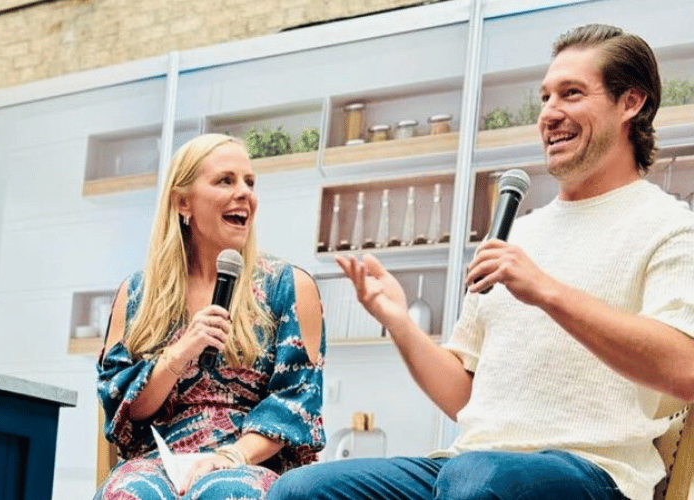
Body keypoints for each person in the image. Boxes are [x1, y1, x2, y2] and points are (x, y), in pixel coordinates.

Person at [267, 24, 694, 500]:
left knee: (480, 481)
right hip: (465, 470)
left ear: (630, 103)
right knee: (300, 489)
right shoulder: (516, 234)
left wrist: (544, 290)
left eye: (571, 94)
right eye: (545, 98)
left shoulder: (669, 226)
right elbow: (465, 397)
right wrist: (399, 322)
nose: (550, 114)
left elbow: (684, 367)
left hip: (591, 473)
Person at [94, 133, 325, 500]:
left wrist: (228, 456)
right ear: (183, 202)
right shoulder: (136, 294)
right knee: (131, 494)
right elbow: (124, 410)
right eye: (225, 180)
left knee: (225, 494)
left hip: (249, 462)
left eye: (250, 182)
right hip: (158, 459)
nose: (244, 193)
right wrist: (180, 352)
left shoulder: (289, 286)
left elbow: (295, 405)